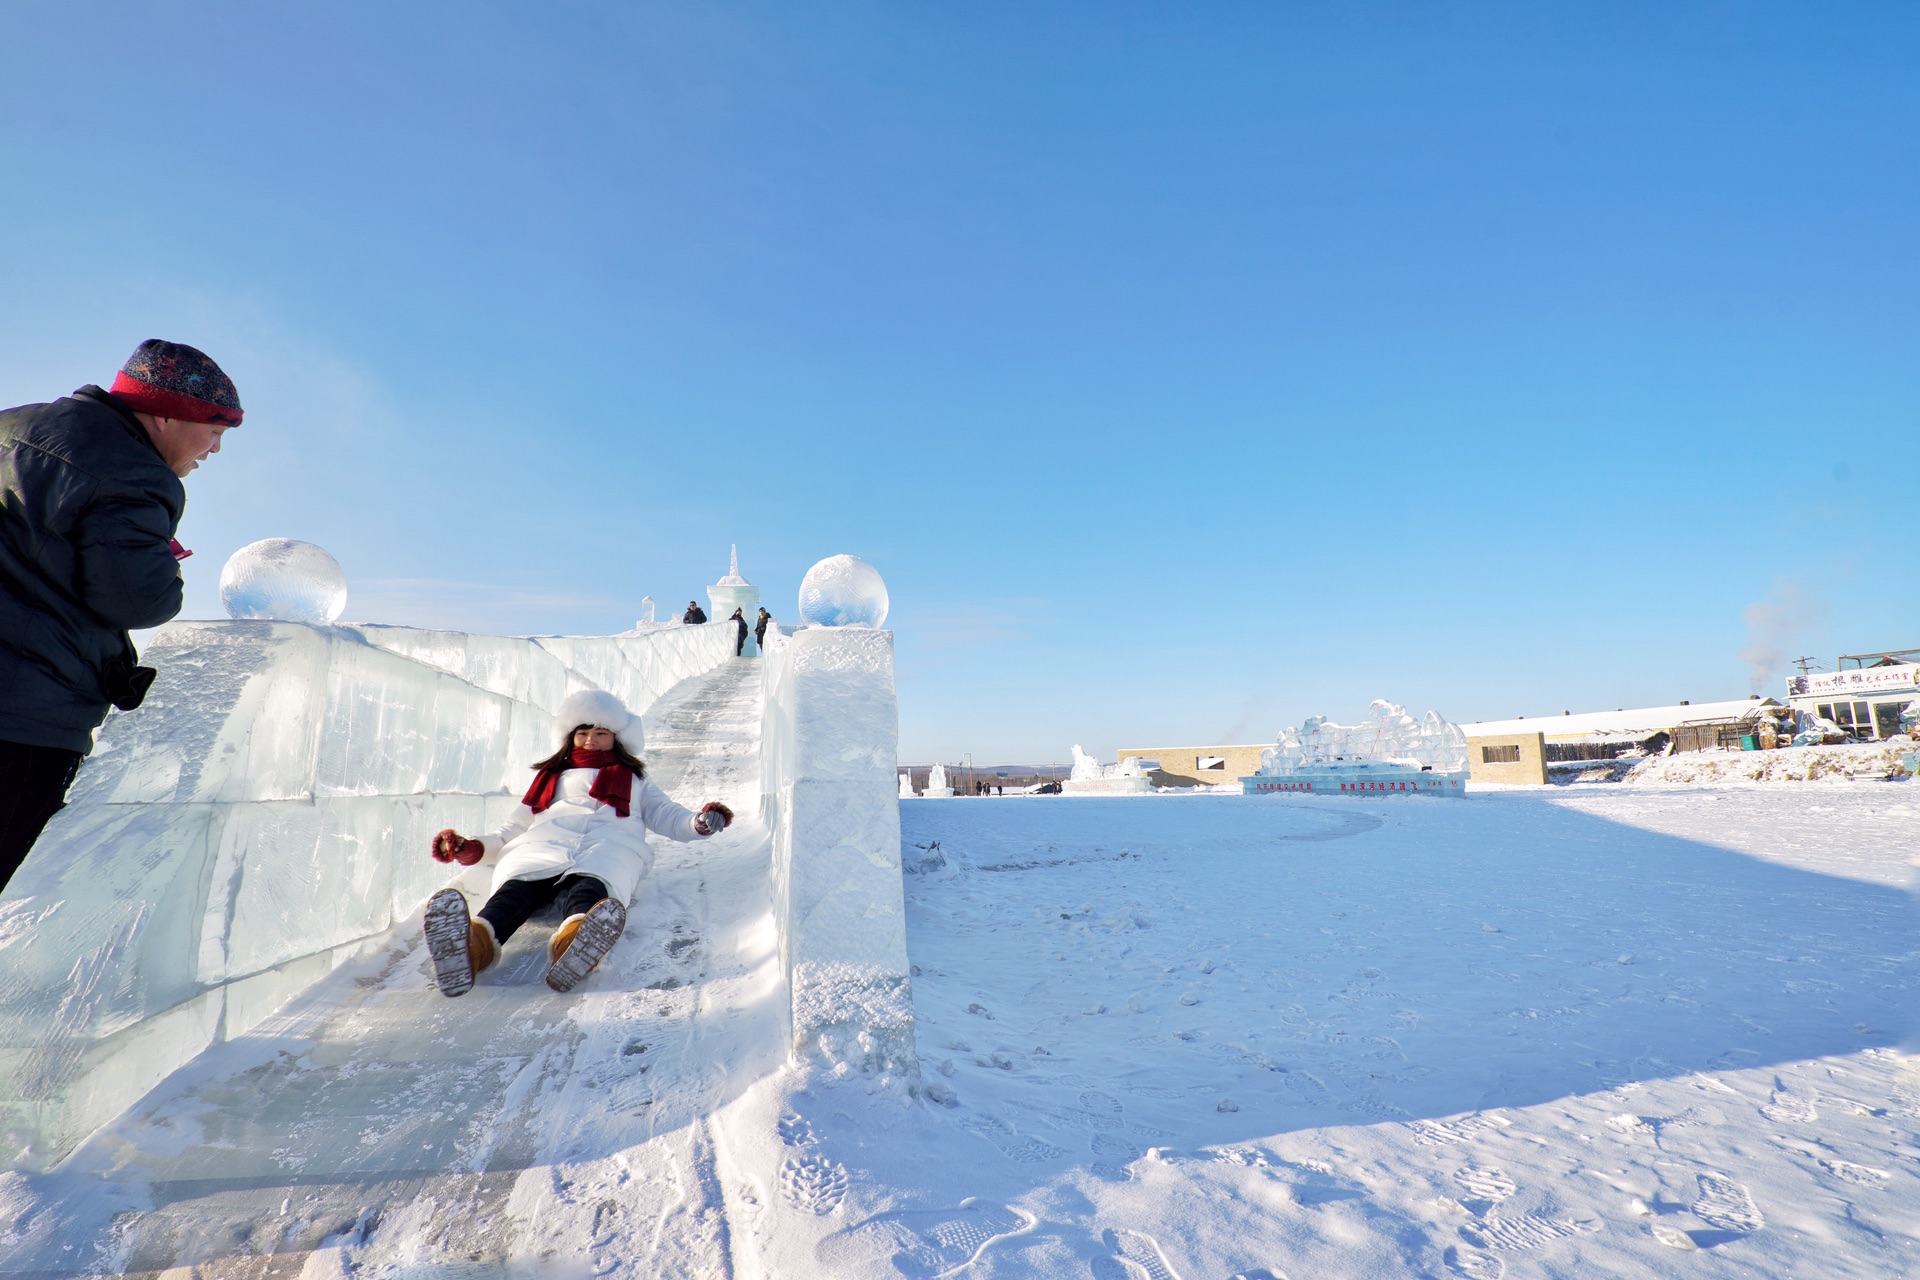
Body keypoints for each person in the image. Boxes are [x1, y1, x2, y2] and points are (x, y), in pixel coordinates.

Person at [0, 339, 242, 890]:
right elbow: (139, 598)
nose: (214, 450)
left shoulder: (12, 427)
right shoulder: (134, 473)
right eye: (214, 432)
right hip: (25, 713)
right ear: (165, 415)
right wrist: (167, 561)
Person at [423, 689, 733, 996]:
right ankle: (471, 947)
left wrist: (699, 821)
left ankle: (575, 943)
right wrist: (471, 848)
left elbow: (667, 815)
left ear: (617, 737)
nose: (590, 740)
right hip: (543, 845)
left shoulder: (636, 780)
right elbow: (511, 831)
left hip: (608, 846)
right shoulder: (550, 777)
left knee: (589, 886)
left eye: (601, 732)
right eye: (583, 732)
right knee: (515, 890)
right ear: (570, 736)